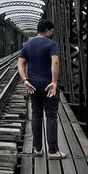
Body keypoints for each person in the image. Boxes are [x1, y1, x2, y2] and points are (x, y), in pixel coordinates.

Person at [17, 18, 67, 159]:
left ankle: (37, 149)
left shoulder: (27, 45)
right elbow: (55, 62)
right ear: (47, 30)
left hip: (33, 85)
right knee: (51, 116)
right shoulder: (52, 44)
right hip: (48, 85)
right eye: (51, 31)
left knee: (36, 115)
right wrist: (54, 82)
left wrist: (25, 80)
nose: (52, 33)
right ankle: (53, 151)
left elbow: (20, 64)